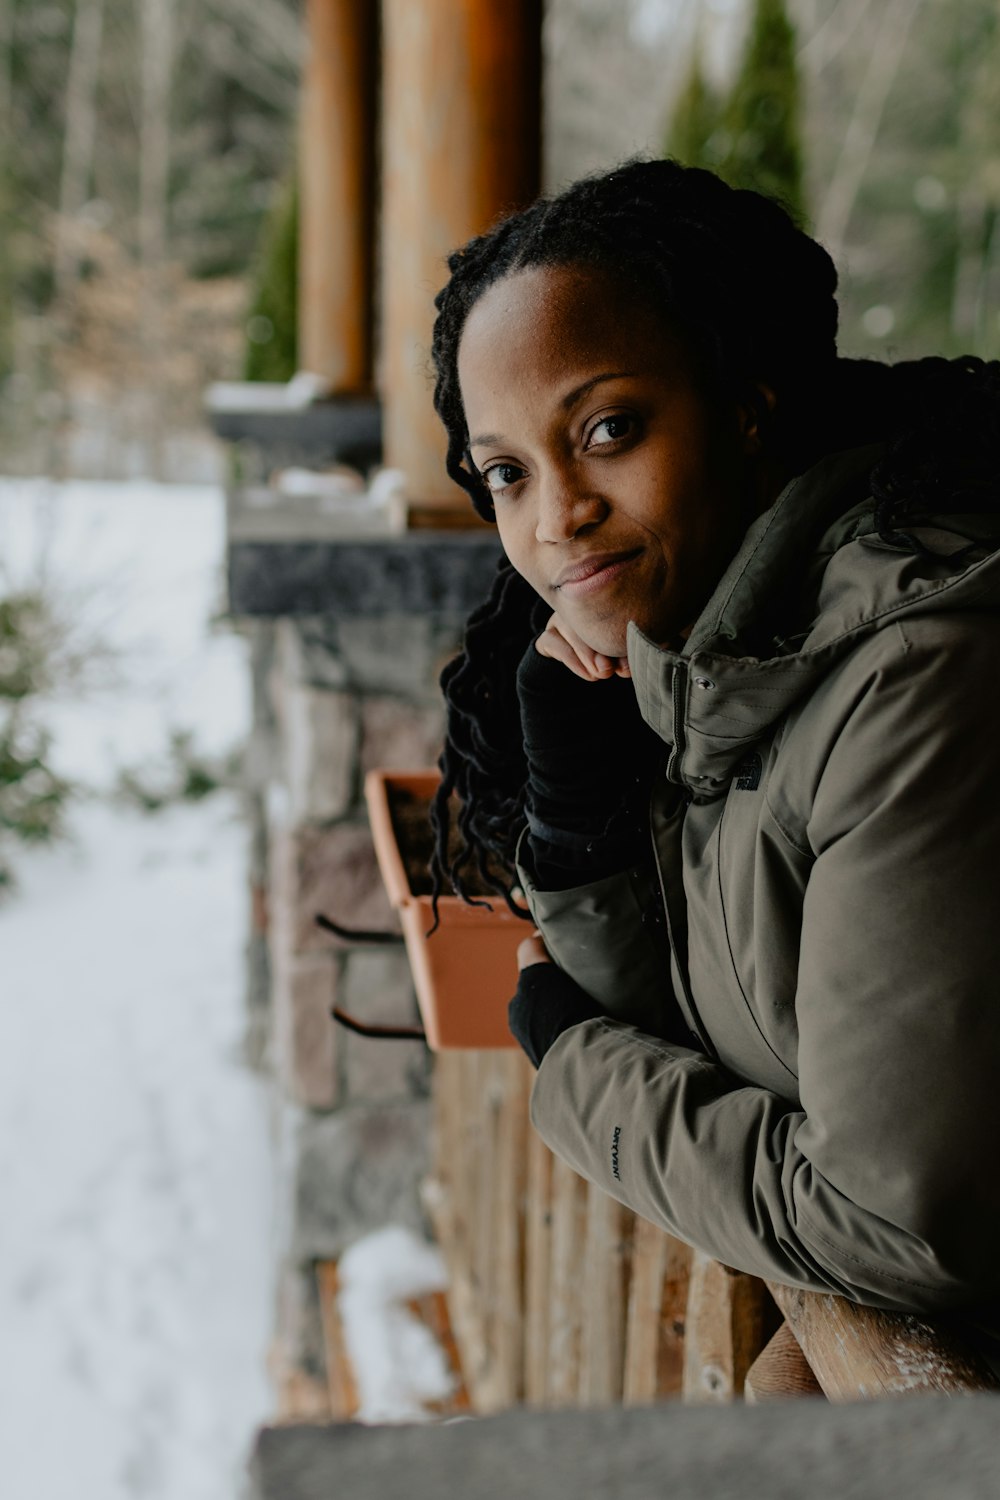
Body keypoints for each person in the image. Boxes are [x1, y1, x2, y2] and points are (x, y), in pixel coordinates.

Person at [428, 157, 1000, 1325]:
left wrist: (576, 1065)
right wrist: (579, 825)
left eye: (608, 428)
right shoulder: (712, 666)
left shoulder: (917, 680)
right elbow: (710, 1038)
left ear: (747, 408)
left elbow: (899, 1226)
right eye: (507, 471)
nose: (555, 516)